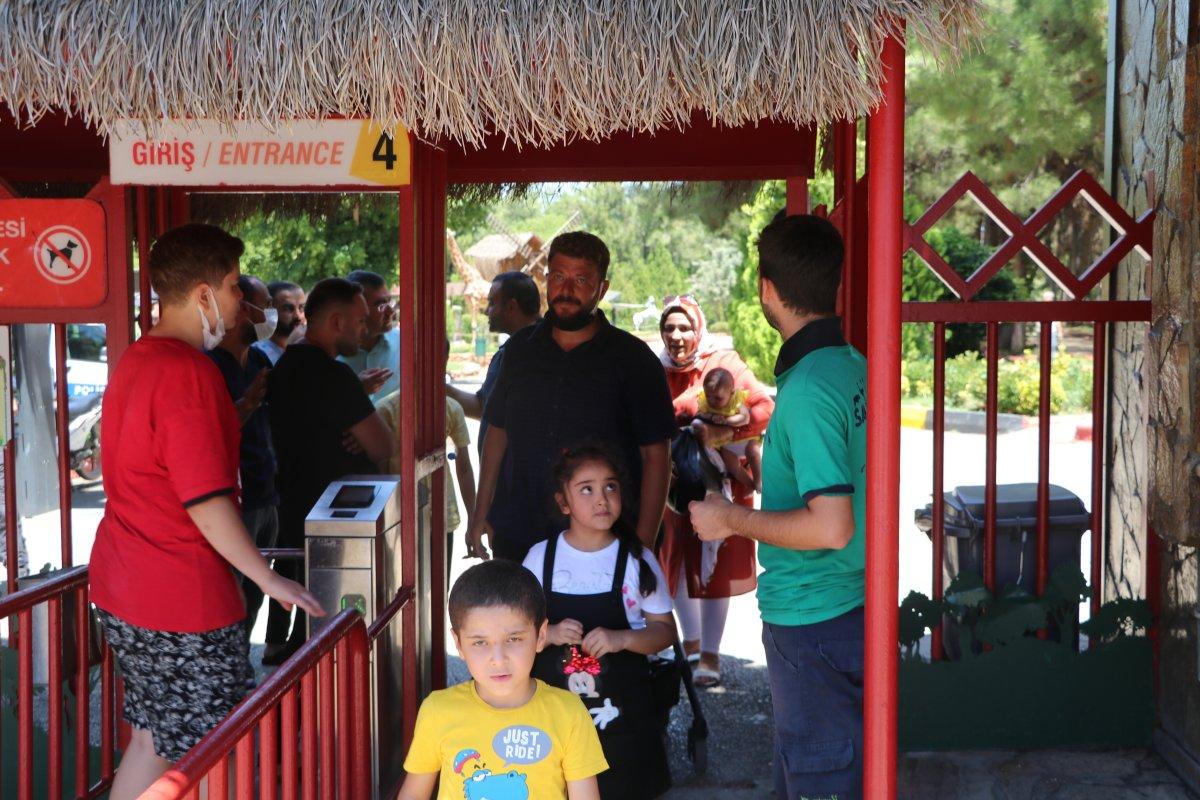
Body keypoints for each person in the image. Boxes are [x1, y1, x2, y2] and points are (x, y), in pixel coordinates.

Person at [88, 223, 324, 800]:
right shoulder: (188, 371)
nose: (240, 304)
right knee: (223, 753)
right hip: (181, 597)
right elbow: (205, 500)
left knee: (155, 739)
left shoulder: (138, 360)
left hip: (127, 587)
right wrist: (268, 578)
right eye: (231, 288)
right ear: (201, 295)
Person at [689, 214, 866, 800]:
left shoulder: (810, 389)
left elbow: (832, 525)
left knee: (823, 783)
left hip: (814, 619)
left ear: (767, 288)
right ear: (835, 283)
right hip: (847, 610)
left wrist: (727, 517)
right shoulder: (851, 367)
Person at [467, 231, 675, 563]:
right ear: (546, 280)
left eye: (581, 279)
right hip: (519, 533)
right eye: (560, 277)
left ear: (601, 289)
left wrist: (644, 545)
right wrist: (481, 512)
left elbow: (657, 456)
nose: (567, 289)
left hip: (604, 542)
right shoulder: (519, 351)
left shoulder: (634, 360)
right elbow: (497, 433)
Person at [523, 445, 674, 800]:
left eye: (610, 487)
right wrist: (552, 633)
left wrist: (622, 639)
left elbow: (665, 632)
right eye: (586, 489)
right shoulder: (540, 558)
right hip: (555, 723)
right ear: (564, 503)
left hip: (623, 723)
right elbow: (514, 635)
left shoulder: (638, 560)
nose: (601, 498)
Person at [264, 277, 396, 665]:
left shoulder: (287, 364)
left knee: (308, 627)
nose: (365, 329)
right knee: (329, 631)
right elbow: (383, 445)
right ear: (336, 322)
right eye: (359, 321)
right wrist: (361, 425)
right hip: (338, 521)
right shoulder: (334, 376)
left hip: (293, 508)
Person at [397, 560, 607, 800]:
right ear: (458, 644)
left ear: (541, 635)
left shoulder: (569, 713)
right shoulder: (437, 711)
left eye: (514, 639)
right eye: (480, 642)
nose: (498, 659)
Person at [656, 294, 772, 688]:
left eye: (685, 327)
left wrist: (726, 432)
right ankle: (690, 645)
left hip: (719, 482)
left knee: (714, 567)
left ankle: (711, 653)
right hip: (672, 486)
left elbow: (763, 408)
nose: (677, 335)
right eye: (669, 328)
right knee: (677, 565)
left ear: (698, 328)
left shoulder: (724, 363)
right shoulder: (656, 369)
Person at [206, 274, 279, 636]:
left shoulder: (261, 358)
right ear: (242, 309)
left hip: (267, 495)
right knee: (232, 592)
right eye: (264, 306)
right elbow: (209, 430)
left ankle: (244, 669)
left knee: (256, 593)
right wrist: (246, 405)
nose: (270, 314)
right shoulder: (209, 365)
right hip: (235, 501)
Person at [377, 339, 475, 581]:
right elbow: (379, 471)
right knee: (405, 585)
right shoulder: (387, 410)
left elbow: (464, 467)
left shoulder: (449, 408)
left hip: (436, 515)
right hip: (401, 515)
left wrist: (474, 517)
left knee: (433, 585)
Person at [445, 270, 542, 453]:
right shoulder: (506, 352)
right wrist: (439, 390)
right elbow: (484, 407)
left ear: (512, 307)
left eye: (491, 303)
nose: (486, 310)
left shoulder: (541, 355)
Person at [692, 366, 763, 493]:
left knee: (754, 453)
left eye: (718, 398)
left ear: (731, 392)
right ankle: (750, 484)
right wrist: (709, 416)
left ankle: (758, 481)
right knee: (732, 466)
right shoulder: (706, 402)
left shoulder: (735, 401)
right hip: (726, 444)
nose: (712, 402)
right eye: (709, 396)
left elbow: (745, 418)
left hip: (745, 438)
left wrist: (726, 421)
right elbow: (699, 414)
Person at [340, 269, 399, 403]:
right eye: (380, 305)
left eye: (389, 302)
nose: (391, 311)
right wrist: (355, 390)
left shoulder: (405, 345)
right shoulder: (331, 354)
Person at [253, 280, 306, 365]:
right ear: (270, 311)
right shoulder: (256, 355)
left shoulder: (311, 349)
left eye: (301, 308)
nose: (298, 316)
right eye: (288, 308)